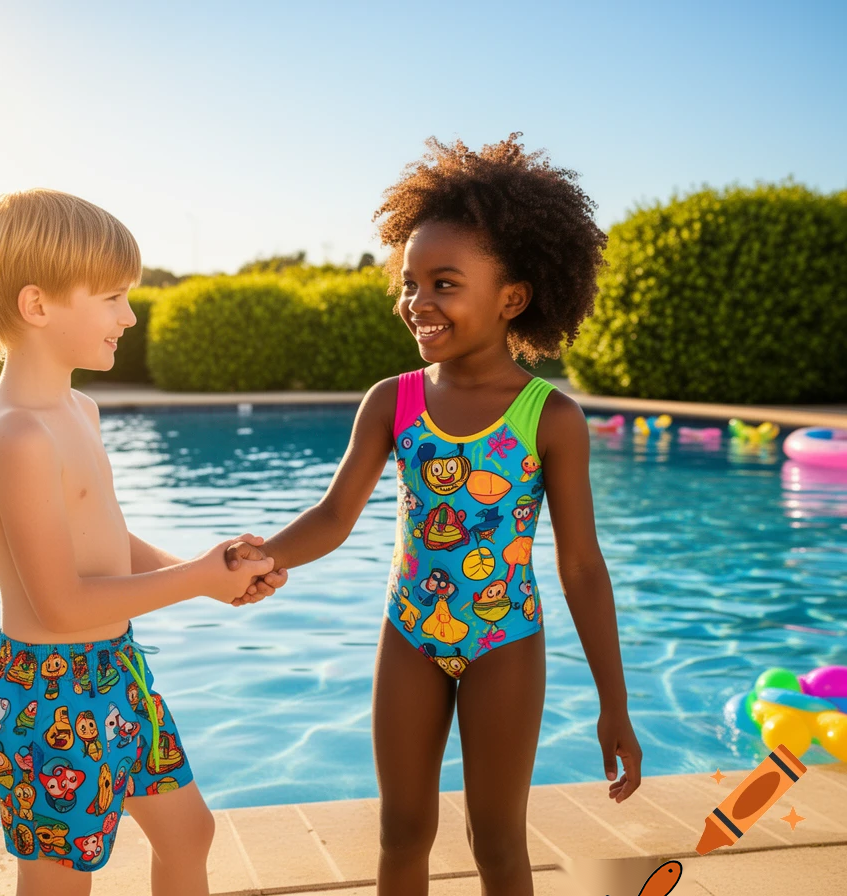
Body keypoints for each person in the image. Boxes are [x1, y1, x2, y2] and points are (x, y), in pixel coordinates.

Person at [236, 135, 643, 896]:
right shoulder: (394, 401)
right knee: (401, 832)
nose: (418, 302)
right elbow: (334, 513)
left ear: (512, 298)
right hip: (409, 634)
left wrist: (614, 703)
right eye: (411, 283)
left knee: (496, 842)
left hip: (505, 642)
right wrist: (262, 555)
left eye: (444, 283)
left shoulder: (547, 417)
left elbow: (582, 565)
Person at [0, 188, 286, 896]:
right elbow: (62, 607)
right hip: (46, 696)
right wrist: (195, 580)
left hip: (117, 675)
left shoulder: (79, 408)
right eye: (111, 297)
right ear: (38, 305)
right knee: (58, 880)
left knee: (187, 831)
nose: (129, 315)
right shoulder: (16, 436)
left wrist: (209, 570)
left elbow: (104, 536)